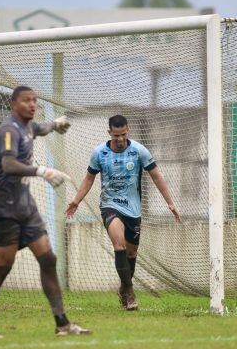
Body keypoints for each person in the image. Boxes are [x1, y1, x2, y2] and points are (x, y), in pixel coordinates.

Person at [0, 85, 91, 338]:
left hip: (25, 207)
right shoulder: (9, 129)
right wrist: (42, 171)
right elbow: (8, 164)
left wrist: (57, 123)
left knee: (48, 259)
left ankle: (62, 324)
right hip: (3, 208)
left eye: (35, 101)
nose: (32, 104)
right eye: (26, 100)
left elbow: (42, 128)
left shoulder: (29, 126)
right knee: (3, 266)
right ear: (13, 104)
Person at [65, 115, 181, 311]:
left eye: (124, 134)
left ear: (128, 131)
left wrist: (170, 203)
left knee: (131, 252)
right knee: (119, 245)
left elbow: (157, 176)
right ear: (109, 132)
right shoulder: (99, 153)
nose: (120, 139)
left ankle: (123, 287)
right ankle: (130, 291)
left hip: (133, 209)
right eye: (116, 135)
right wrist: (76, 201)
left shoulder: (138, 151)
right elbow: (89, 179)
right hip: (110, 205)